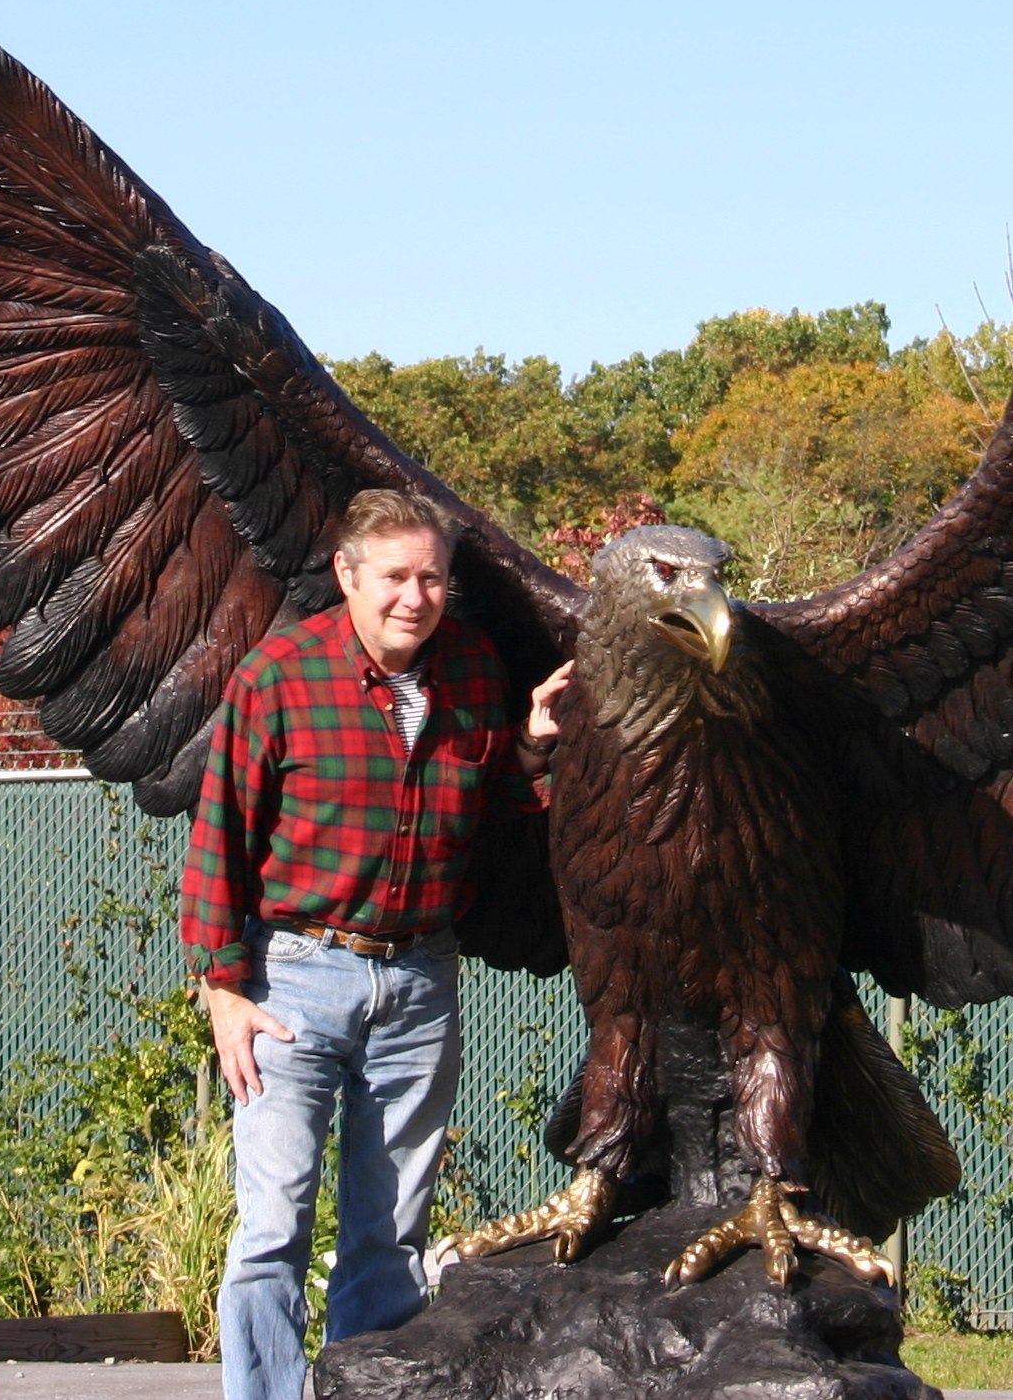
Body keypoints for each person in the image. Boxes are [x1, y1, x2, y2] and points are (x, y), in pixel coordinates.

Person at [180, 488, 571, 1400]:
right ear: (347, 577)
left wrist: (529, 747)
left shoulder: (474, 673)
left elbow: (492, 816)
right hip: (294, 982)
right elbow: (218, 838)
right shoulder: (280, 676)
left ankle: (364, 1392)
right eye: (394, 576)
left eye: (431, 577)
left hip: (421, 982)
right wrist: (224, 990)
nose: (414, 596)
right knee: (273, 1225)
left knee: (390, 1234)